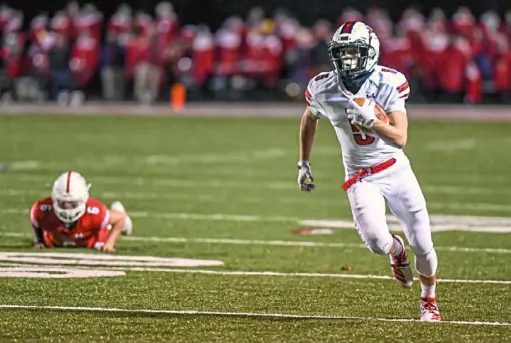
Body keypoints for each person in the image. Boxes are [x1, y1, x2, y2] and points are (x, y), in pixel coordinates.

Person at [297, 21, 440, 322]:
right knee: (377, 243)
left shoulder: (389, 82)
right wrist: (304, 163)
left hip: (395, 171)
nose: (347, 58)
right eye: (342, 52)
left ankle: (428, 299)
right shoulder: (323, 87)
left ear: (370, 51)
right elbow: (310, 118)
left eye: (354, 51)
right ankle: (396, 250)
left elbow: (400, 138)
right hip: (361, 177)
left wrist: (371, 122)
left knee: (424, 245)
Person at [29, 171, 133, 253]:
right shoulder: (41, 210)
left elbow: (120, 218)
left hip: (91, 239)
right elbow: (35, 220)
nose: (68, 209)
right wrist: (39, 241)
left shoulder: (95, 212)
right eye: (63, 203)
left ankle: (117, 214)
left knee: (121, 225)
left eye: (73, 204)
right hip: (59, 240)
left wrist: (109, 243)